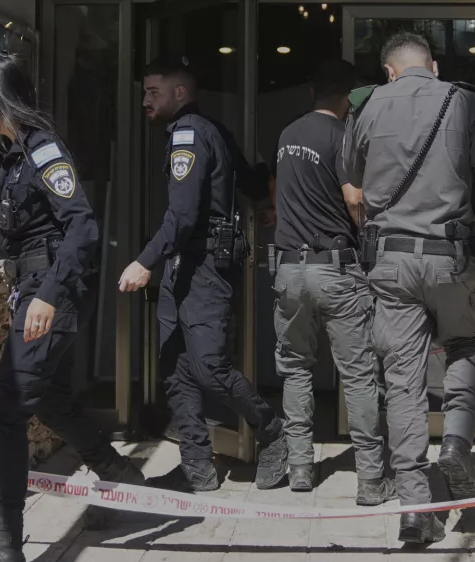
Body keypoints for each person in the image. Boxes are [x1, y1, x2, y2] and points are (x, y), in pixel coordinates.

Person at [343, 32, 475, 543]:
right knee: (465, 342)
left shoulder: (366, 106)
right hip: (451, 259)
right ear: (434, 64)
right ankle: (455, 445)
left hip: (390, 263)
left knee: (402, 380)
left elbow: (352, 180)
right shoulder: (466, 100)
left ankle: (414, 510)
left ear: (389, 71)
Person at [0, 53, 145, 562]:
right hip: (36, 290)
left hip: (51, 293)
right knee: (50, 401)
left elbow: (82, 227)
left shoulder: (42, 149)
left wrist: (47, 295)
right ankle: (120, 474)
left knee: (6, 410)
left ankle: (4, 545)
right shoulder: (11, 152)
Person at [119, 56, 288, 492]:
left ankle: (274, 434)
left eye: (153, 92)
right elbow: (246, 174)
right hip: (185, 265)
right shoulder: (209, 130)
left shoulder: (190, 134)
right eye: (143, 92)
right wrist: (261, 199)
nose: (145, 101)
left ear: (180, 92)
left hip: (206, 265)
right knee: (174, 367)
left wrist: (143, 262)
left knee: (209, 367)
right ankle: (196, 467)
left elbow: (184, 215)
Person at [269, 59, 390, 505]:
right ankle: (371, 480)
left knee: (296, 368)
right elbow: (353, 199)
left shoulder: (287, 135)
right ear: (349, 96)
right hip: (336, 267)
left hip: (288, 269)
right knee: (357, 375)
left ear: (313, 92)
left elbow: (277, 193)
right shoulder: (342, 136)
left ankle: (301, 468)